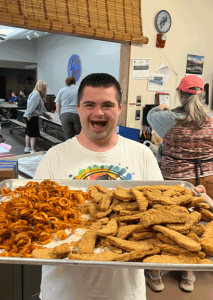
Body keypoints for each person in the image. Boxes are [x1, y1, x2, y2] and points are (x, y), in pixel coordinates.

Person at [33, 73, 163, 300]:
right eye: (90, 105)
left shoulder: (142, 155)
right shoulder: (54, 157)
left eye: (107, 105)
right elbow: (31, 217)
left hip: (124, 292)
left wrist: (196, 206)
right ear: (78, 108)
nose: (98, 112)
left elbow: (161, 215)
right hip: (63, 292)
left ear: (120, 108)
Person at [146, 74, 213, 292]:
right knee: (196, 224)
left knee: (166, 225)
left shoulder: (167, 118)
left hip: (175, 181)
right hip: (207, 179)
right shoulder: (212, 119)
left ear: (180, 93)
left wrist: (163, 107)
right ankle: (188, 274)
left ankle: (156, 274)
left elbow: (150, 115)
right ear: (202, 93)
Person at [23, 80, 47, 154]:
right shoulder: (36, 94)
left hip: (30, 115)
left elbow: (41, 107)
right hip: (32, 116)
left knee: (28, 132)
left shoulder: (35, 93)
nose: (45, 90)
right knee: (33, 134)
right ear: (41, 87)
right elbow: (32, 106)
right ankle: (33, 150)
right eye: (45, 88)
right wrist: (29, 115)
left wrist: (47, 114)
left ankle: (27, 147)